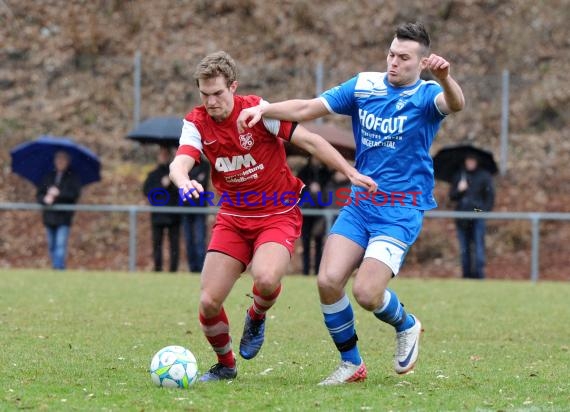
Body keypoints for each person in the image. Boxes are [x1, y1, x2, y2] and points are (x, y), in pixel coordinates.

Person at [237, 22, 465, 385]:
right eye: (391, 54)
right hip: (361, 205)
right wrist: (266, 109)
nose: (393, 62)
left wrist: (446, 78)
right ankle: (351, 364)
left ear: (421, 63)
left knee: (367, 292)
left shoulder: (426, 96)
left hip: (401, 209)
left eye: (404, 57)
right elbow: (310, 107)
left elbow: (454, 103)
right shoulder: (364, 85)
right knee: (328, 281)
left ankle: (407, 325)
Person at [169, 51, 376, 382]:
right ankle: (226, 365)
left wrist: (349, 172)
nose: (211, 102)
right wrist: (183, 182)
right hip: (233, 218)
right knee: (208, 303)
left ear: (233, 87)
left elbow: (310, 140)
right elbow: (181, 162)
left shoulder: (257, 112)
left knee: (265, 279)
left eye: (218, 93)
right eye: (204, 95)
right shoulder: (196, 122)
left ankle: (257, 314)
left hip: (277, 214)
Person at [449, 154, 495, 279]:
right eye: (468, 160)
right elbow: (452, 196)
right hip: (461, 216)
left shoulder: (484, 176)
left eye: (472, 160)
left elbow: (490, 197)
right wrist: (459, 189)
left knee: (479, 246)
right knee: (464, 248)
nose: (470, 162)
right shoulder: (459, 175)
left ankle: (479, 275)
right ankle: (466, 275)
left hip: (477, 213)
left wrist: (481, 211)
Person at [36, 150, 82, 270]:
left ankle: (58, 268)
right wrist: (45, 199)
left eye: (63, 160)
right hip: (49, 217)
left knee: (60, 245)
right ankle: (55, 267)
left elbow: (74, 195)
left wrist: (58, 195)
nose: (60, 162)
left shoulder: (72, 178)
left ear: (67, 162)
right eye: (58, 160)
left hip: (64, 217)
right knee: (52, 245)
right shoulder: (49, 177)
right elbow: (40, 194)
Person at [143, 146, 182, 273]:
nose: (163, 157)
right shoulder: (153, 175)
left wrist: (172, 182)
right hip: (158, 215)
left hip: (173, 215)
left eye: (166, 155)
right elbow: (147, 191)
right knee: (157, 244)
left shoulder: (175, 175)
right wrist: (161, 185)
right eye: (162, 155)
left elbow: (181, 192)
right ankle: (158, 268)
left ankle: (173, 270)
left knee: (174, 244)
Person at [297, 156, 331, 275]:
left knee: (318, 242)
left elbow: (329, 189)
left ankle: (318, 271)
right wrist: (309, 188)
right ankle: (305, 271)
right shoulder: (304, 172)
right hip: (306, 211)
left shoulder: (325, 173)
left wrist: (320, 190)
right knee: (305, 241)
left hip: (320, 212)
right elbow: (298, 188)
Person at [182, 157, 210, 273]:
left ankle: (201, 268)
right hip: (185, 207)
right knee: (188, 239)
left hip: (199, 208)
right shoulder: (185, 164)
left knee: (199, 239)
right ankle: (192, 268)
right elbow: (182, 183)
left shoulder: (204, 165)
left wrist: (190, 181)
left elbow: (202, 184)